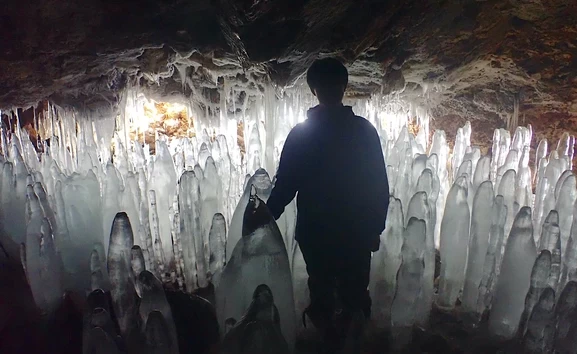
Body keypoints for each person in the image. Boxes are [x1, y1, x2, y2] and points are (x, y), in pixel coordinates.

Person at [266, 58, 390, 352]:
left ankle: (328, 339)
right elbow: (378, 184)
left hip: (316, 230)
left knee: (321, 285)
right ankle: (354, 338)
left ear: (313, 90)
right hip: (355, 230)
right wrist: (375, 227)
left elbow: (286, 184)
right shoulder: (364, 131)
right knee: (355, 289)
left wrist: (266, 215)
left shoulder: (301, 135)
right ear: (344, 87)